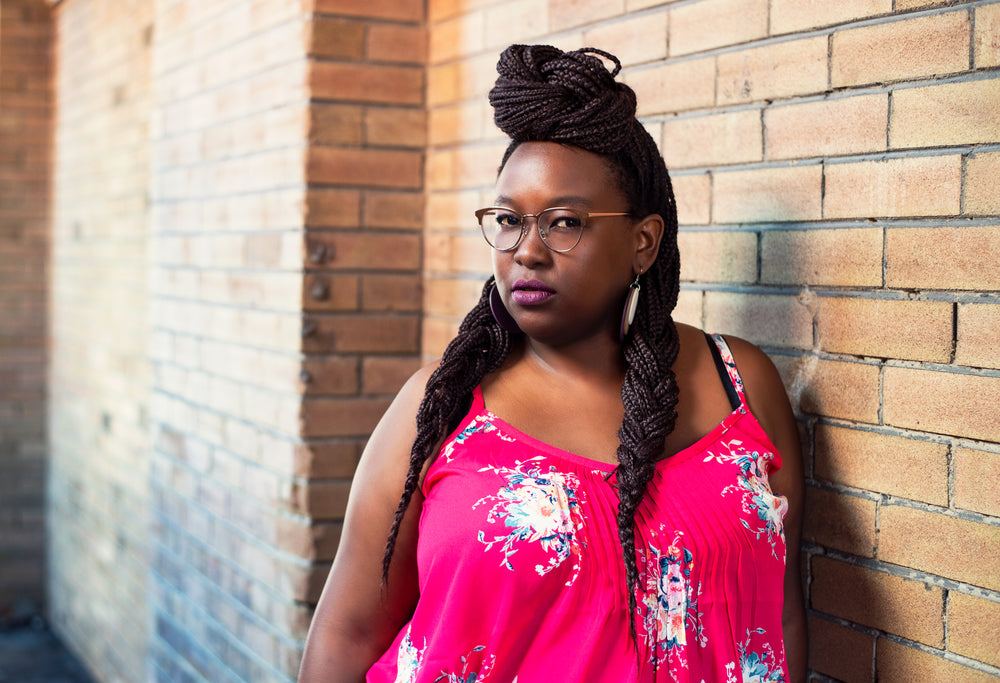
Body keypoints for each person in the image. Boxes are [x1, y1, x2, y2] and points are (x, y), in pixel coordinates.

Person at [298, 44, 806, 683]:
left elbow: (782, 622)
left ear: (643, 243)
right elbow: (345, 640)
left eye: (565, 222)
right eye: (509, 221)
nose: (527, 250)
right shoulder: (444, 407)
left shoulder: (741, 387)